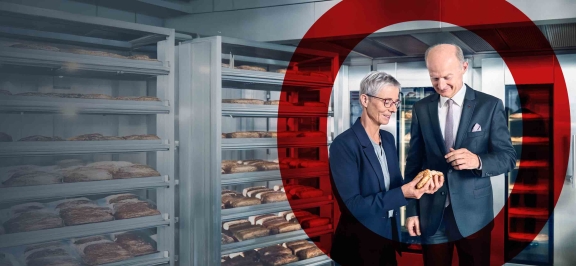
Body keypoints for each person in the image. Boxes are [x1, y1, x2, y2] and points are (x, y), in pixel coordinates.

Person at [404, 43, 517, 266]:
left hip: (474, 216)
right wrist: (411, 210)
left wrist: (477, 161)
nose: (441, 85)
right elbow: (414, 163)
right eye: (434, 78)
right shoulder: (421, 108)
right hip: (431, 214)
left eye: (447, 77)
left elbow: (508, 157)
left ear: (464, 67)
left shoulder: (490, 106)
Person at [329, 71, 444, 266]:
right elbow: (353, 207)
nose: (392, 109)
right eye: (386, 101)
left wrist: (419, 188)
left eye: (395, 102)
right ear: (365, 100)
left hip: (387, 241)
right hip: (358, 247)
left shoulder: (388, 140)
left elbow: (396, 187)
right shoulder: (344, 145)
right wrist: (403, 192)